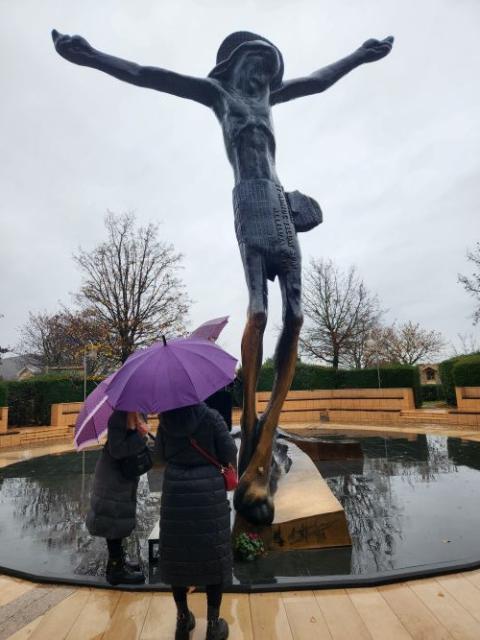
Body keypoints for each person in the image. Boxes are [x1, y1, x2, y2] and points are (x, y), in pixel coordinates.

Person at [52, 28, 393, 525]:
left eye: (269, 68)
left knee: (296, 317)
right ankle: (251, 422)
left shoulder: (269, 98)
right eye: (258, 64)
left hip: (281, 204)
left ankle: (266, 432)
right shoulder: (219, 96)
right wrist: (89, 56)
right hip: (250, 203)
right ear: (238, 63)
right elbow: (150, 76)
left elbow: (319, 81)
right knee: (258, 310)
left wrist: (361, 54)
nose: (264, 75)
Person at [155, 402, 237, 640]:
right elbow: (229, 451)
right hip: (208, 492)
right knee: (214, 556)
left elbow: (159, 458)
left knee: (177, 556)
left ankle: (183, 620)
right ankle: (213, 624)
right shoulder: (212, 417)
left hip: (176, 493)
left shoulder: (165, 420)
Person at [86, 410, 149, 586]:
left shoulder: (136, 414)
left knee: (118, 520)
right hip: (112, 478)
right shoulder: (118, 417)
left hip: (122, 477)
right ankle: (115, 571)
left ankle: (118, 561)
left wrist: (139, 434)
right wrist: (139, 435)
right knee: (112, 520)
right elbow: (118, 450)